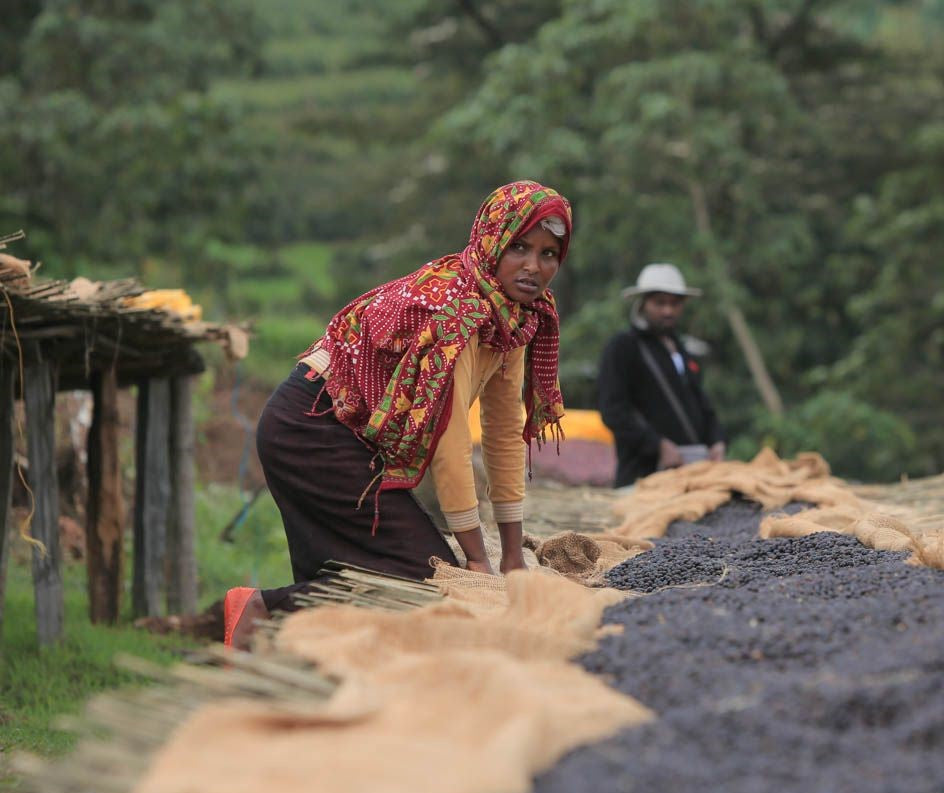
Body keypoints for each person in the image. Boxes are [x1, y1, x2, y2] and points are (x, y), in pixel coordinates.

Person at [223, 181, 571, 650]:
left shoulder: (515, 317)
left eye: (549, 254)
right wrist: (477, 564)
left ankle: (284, 653)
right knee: (428, 577)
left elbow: (505, 431)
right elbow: (450, 442)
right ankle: (259, 613)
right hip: (311, 425)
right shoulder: (461, 312)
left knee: (358, 574)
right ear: (491, 243)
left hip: (339, 433)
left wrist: (512, 554)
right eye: (520, 248)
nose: (534, 267)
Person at [596, 263, 726, 488]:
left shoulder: (682, 348)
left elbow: (702, 403)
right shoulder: (623, 346)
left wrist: (717, 440)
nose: (668, 311)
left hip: (690, 476)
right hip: (641, 478)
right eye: (660, 303)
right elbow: (613, 410)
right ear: (643, 303)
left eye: (674, 304)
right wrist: (657, 445)